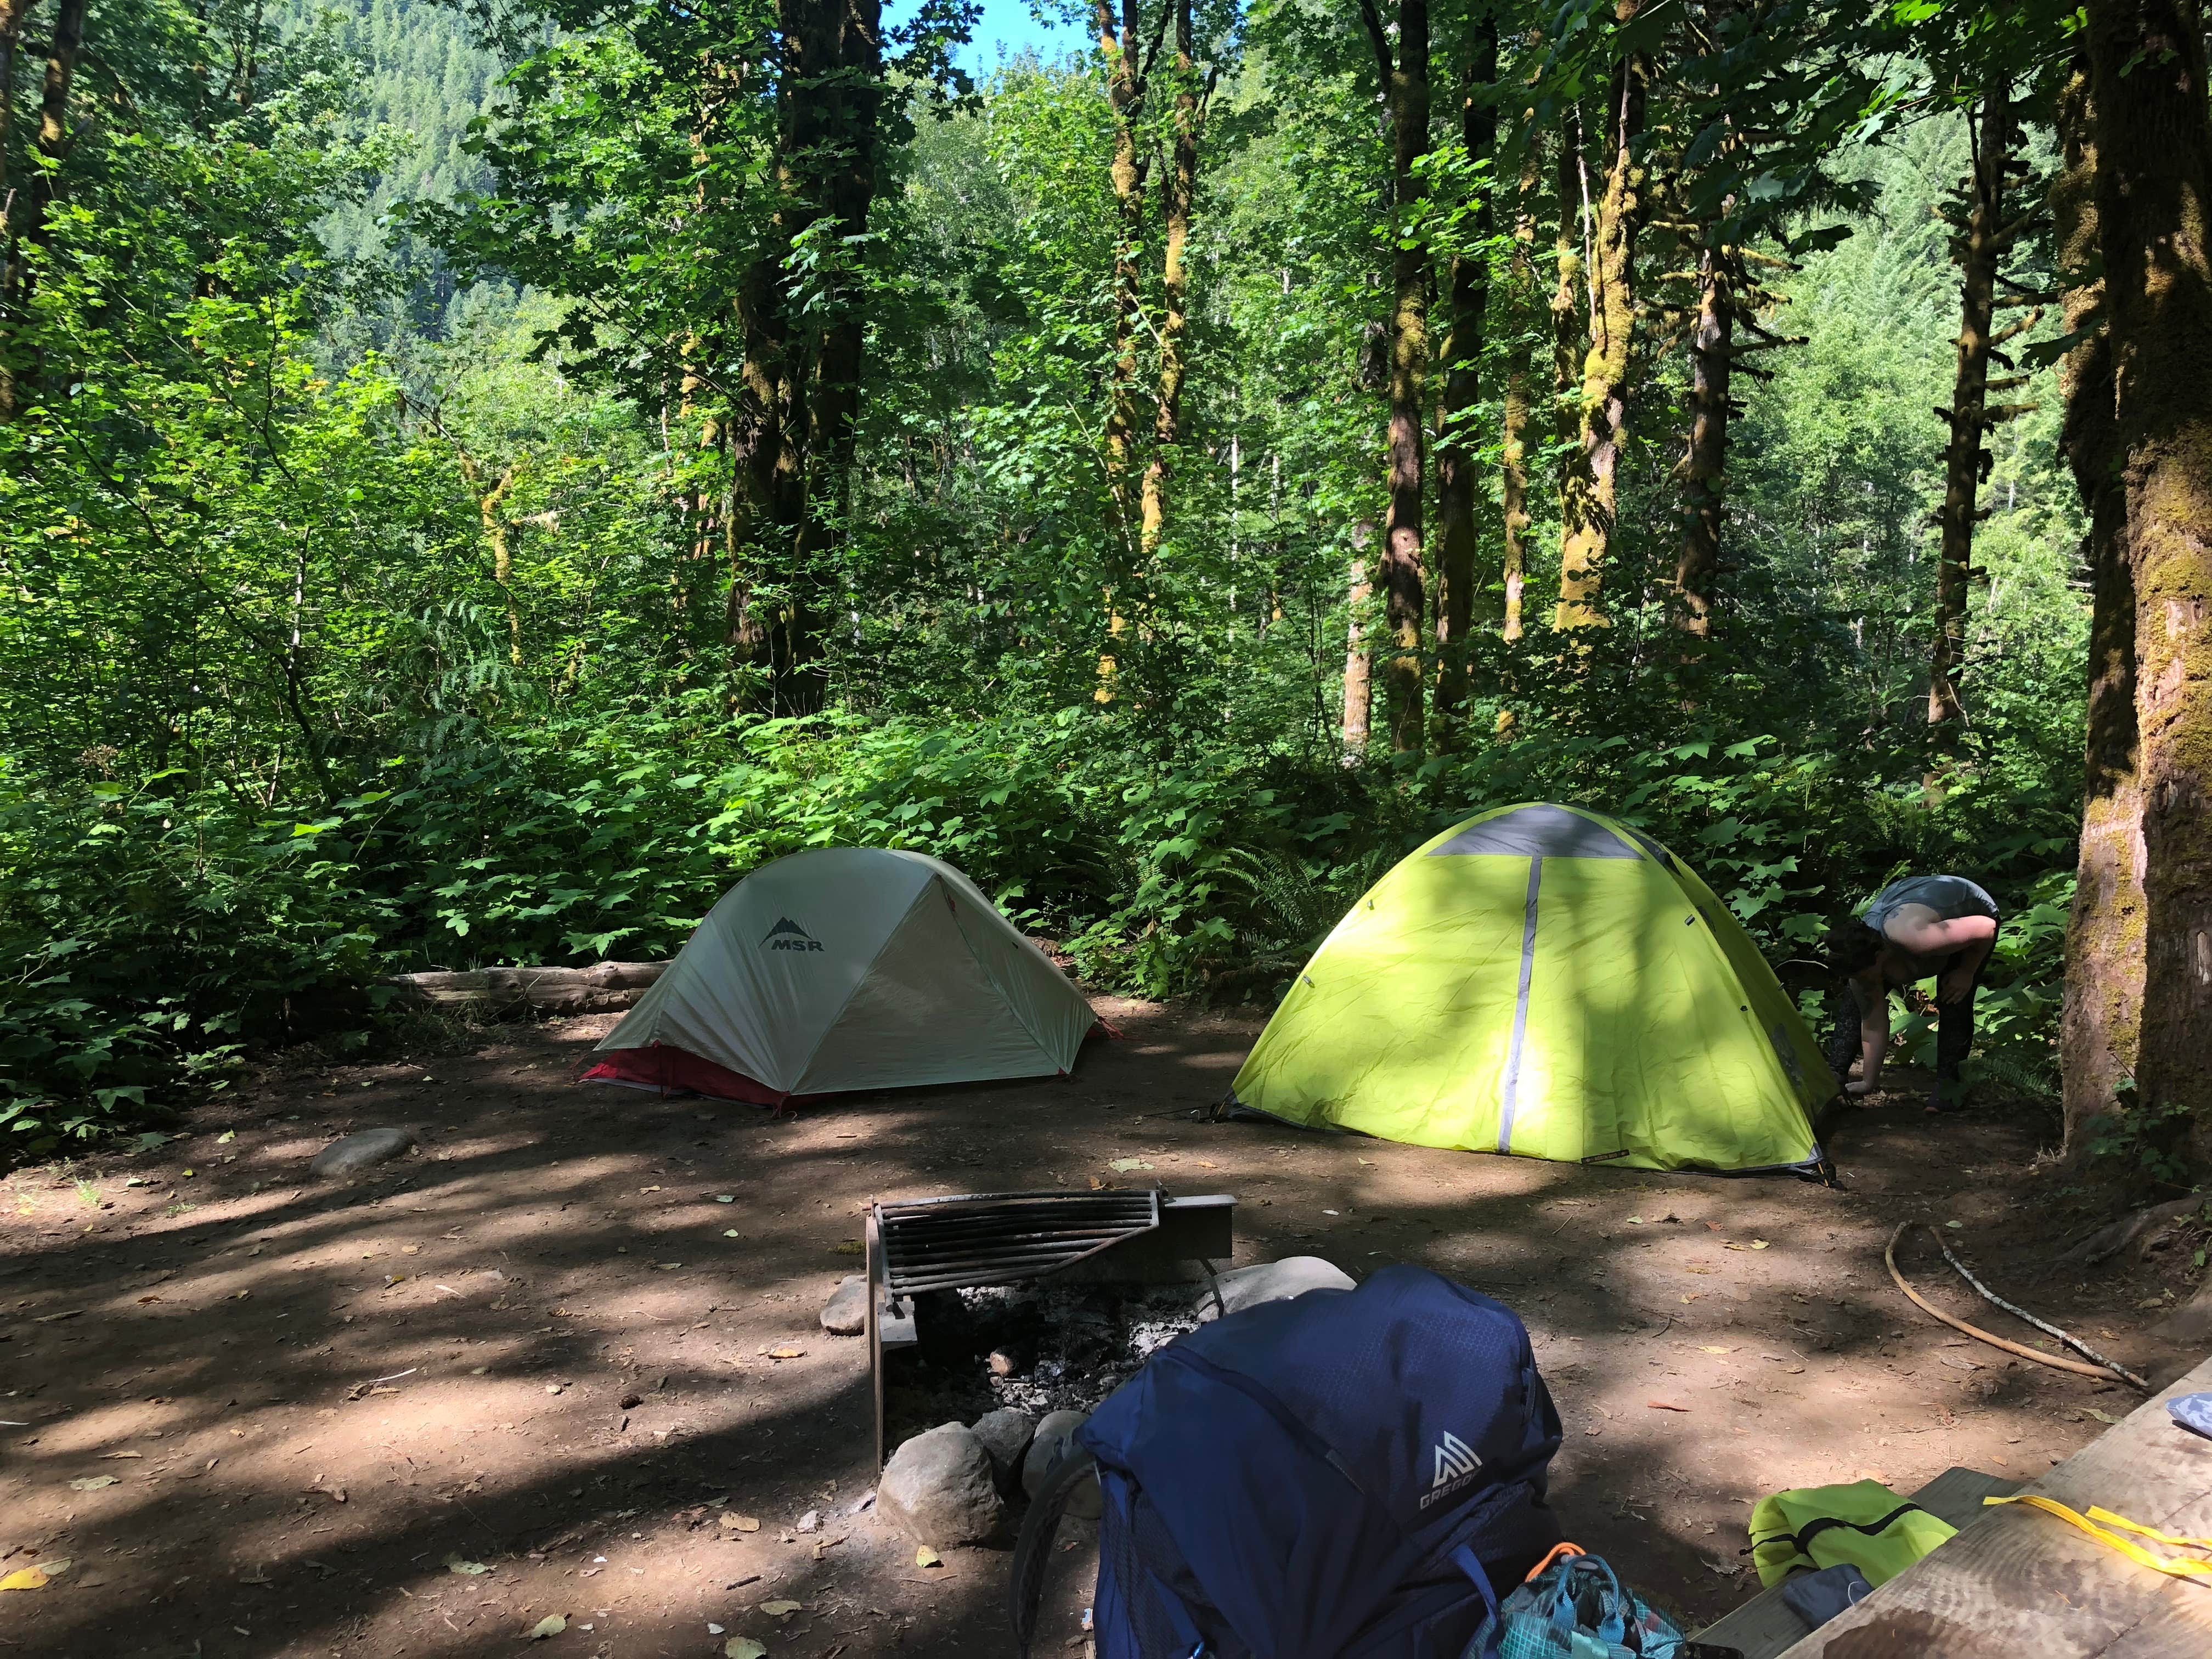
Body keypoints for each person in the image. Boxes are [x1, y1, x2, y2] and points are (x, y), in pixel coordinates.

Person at [1824, 874, 1999, 1114]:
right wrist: (1868, 1082)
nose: (1863, 981)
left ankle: (1948, 1089)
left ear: (1880, 957)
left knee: (1955, 994)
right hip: (1910, 905)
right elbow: (1873, 1025)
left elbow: (1985, 926)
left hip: (1969, 912)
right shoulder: (1859, 957)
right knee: (1858, 998)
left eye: (1865, 974)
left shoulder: (1917, 938)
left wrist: (1966, 972)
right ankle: (1834, 1076)